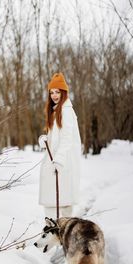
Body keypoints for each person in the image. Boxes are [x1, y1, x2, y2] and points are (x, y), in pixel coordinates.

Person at [39, 72, 81, 220]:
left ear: (64, 92)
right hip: (54, 161)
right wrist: (46, 140)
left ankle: (63, 233)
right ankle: (53, 232)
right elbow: (55, 138)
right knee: (52, 200)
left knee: (63, 201)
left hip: (63, 162)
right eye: (52, 92)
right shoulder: (56, 110)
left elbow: (67, 139)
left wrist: (59, 159)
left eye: (57, 92)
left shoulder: (66, 111)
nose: (54, 95)